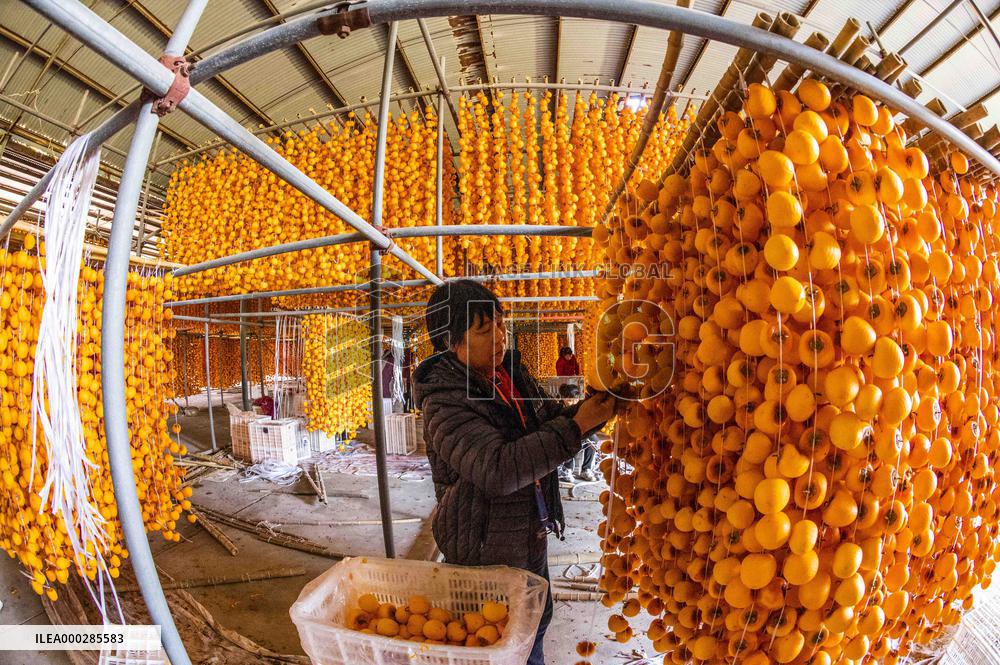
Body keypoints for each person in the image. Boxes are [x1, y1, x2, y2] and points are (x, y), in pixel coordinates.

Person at [412, 279, 617, 665]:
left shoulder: (509, 375)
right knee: (500, 642)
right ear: (450, 342)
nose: (500, 337)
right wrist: (575, 427)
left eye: (501, 325)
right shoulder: (445, 402)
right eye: (485, 330)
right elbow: (498, 469)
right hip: (485, 549)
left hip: (528, 533)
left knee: (536, 624)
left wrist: (590, 413)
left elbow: (548, 422)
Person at [556, 383, 599, 483]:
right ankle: (567, 469)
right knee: (569, 440)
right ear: (563, 398)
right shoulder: (559, 408)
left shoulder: (580, 406)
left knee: (594, 440)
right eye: (570, 400)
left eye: (575, 399)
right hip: (564, 435)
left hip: (580, 432)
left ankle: (586, 469)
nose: (573, 402)